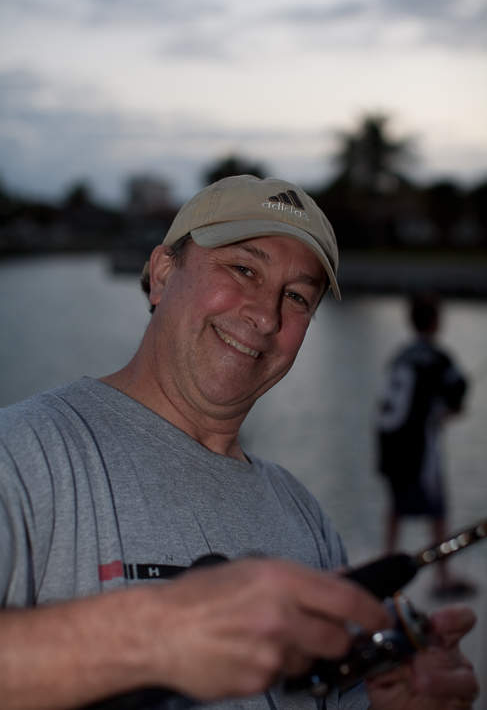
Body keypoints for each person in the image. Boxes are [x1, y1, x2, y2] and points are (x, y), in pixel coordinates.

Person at [0, 176, 478, 710]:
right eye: (243, 269)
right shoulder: (22, 454)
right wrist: (154, 636)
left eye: (297, 296)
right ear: (162, 274)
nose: (267, 315)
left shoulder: (307, 519)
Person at [376, 292, 472, 596]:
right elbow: (456, 392)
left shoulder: (399, 355)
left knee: (396, 505)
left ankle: (384, 563)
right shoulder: (438, 358)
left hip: (390, 443)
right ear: (434, 322)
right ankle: (442, 576)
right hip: (420, 446)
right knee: (437, 509)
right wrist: (449, 408)